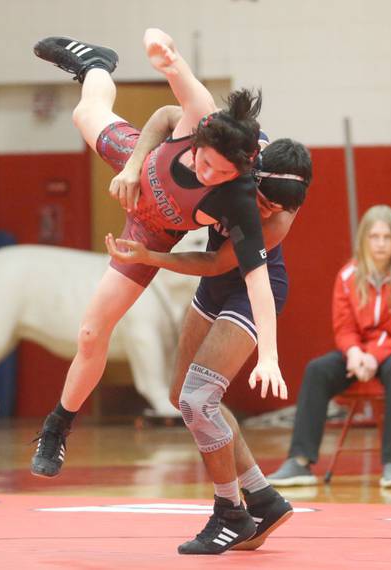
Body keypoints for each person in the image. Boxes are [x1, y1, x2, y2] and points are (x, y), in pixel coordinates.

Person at [29, 29, 285, 487]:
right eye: (206, 165)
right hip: (138, 163)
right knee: (85, 110)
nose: (210, 175)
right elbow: (173, 87)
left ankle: (57, 425)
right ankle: (96, 64)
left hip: (150, 234)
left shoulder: (239, 198)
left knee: (91, 330)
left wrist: (268, 355)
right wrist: (162, 54)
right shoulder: (201, 118)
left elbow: (258, 280)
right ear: (201, 140)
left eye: (223, 175)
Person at [107, 136, 312, 554]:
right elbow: (167, 114)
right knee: (182, 394)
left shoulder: (279, 218)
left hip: (252, 291)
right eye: (266, 201)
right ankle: (264, 498)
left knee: (198, 401)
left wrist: (150, 257)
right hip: (215, 287)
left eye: (282, 208)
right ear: (253, 171)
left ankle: (230, 511)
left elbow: (216, 262)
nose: (270, 211)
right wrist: (134, 166)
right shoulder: (234, 154)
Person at [266, 205, 391, 489]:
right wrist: (356, 353)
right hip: (363, 354)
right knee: (318, 369)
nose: (381, 244)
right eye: (374, 237)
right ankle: (300, 461)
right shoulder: (348, 275)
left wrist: (374, 355)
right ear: (363, 240)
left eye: (387, 237)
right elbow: (344, 329)